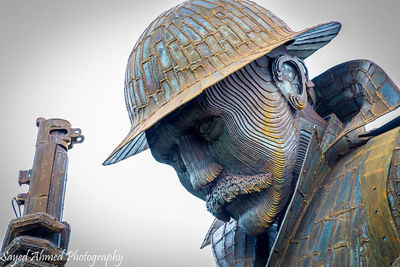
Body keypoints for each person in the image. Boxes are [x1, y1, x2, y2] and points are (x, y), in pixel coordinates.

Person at [2, 0, 400, 266]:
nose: (198, 176)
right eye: (173, 158)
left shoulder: (391, 172)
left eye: (208, 128)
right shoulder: (235, 249)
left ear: (290, 83)